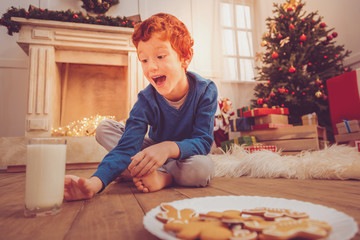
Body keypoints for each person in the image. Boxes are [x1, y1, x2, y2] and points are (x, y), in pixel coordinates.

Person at [64, 13, 218, 201]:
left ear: (185, 57)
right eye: (144, 60)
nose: (151, 67)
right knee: (104, 129)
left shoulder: (206, 91)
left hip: (187, 156)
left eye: (160, 56)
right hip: (151, 151)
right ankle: (145, 169)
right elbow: (126, 148)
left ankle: (163, 176)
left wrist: (167, 148)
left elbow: (202, 142)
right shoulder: (146, 99)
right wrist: (93, 184)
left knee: (203, 169)